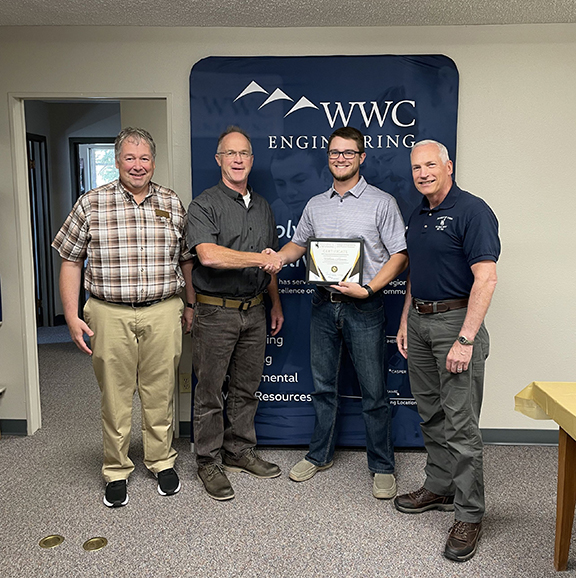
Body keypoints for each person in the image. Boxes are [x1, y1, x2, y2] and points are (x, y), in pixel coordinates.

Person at [52, 127, 195, 508]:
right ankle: (116, 469)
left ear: (153, 161)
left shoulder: (170, 202)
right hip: (108, 313)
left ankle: (161, 461)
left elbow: (185, 259)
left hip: (164, 310)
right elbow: (70, 259)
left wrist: (190, 303)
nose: (137, 165)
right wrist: (70, 315)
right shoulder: (91, 203)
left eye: (144, 158)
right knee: (115, 397)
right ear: (117, 162)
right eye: (129, 158)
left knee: (160, 393)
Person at [272, 126, 408, 499]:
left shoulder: (382, 202)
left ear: (362, 157)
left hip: (365, 307)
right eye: (334, 152)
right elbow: (298, 244)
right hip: (322, 307)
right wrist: (277, 257)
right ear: (327, 156)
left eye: (348, 153)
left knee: (374, 391)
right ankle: (320, 455)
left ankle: (382, 464)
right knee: (324, 387)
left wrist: (368, 288)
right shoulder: (316, 203)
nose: (341, 158)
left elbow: (400, 255)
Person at [395, 139, 500, 562]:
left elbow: (487, 278)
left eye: (429, 165)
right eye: (416, 167)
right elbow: (417, 274)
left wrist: (466, 339)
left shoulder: (473, 211)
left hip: (456, 325)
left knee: (460, 425)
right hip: (420, 322)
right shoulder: (418, 213)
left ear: (448, 166)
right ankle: (439, 486)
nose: (422, 173)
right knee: (431, 414)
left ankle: (470, 514)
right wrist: (405, 319)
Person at [187, 126, 284, 501]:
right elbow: (208, 255)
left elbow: (270, 262)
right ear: (219, 160)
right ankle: (208, 461)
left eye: (244, 153)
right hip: (216, 313)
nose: (238, 159)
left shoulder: (263, 206)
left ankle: (239, 450)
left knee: (246, 388)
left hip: (255, 312)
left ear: (252, 160)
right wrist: (260, 258)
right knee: (210, 391)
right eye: (231, 153)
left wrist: (274, 302)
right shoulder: (204, 205)